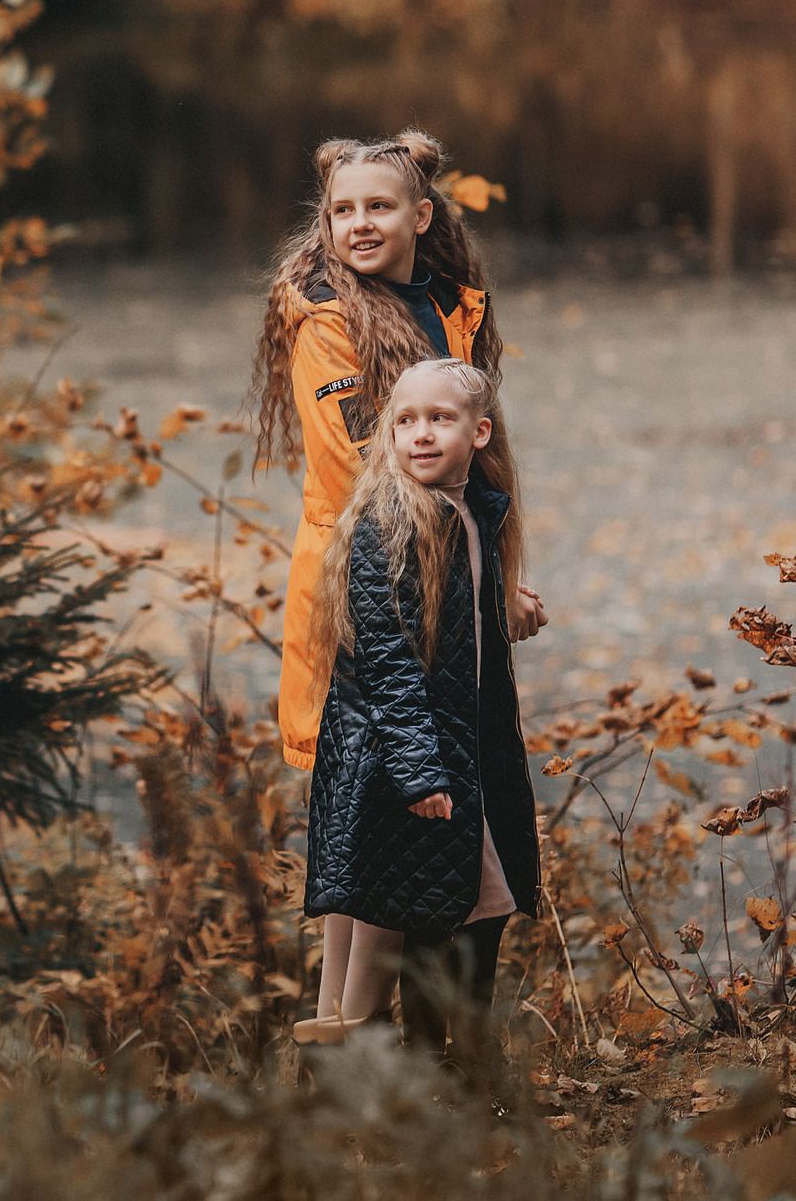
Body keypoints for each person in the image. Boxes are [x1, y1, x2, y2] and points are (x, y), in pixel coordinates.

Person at [248, 130, 545, 774]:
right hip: (370, 592)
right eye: (342, 211)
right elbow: (362, 471)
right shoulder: (324, 322)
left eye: (379, 207)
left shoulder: (449, 306)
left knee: (465, 809)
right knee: (383, 808)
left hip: (448, 579)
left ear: (421, 215)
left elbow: (471, 458)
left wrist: (494, 580)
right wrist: (479, 582)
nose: (359, 225)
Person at [292, 357, 540, 1079]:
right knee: (429, 916)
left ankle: (466, 1068)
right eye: (406, 420)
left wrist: (508, 603)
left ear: (478, 431)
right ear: (388, 435)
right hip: (400, 760)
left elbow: (464, 635)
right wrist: (419, 768)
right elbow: (390, 661)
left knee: (482, 903)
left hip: (466, 755)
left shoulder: (473, 513)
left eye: (440, 419)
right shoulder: (387, 522)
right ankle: (415, 1083)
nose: (421, 434)